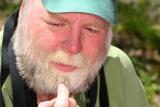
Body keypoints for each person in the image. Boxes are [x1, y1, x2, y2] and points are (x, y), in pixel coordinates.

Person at [0, 0, 149, 107]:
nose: (73, 47)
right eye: (56, 24)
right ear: (23, 13)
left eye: (91, 29)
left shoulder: (117, 69)